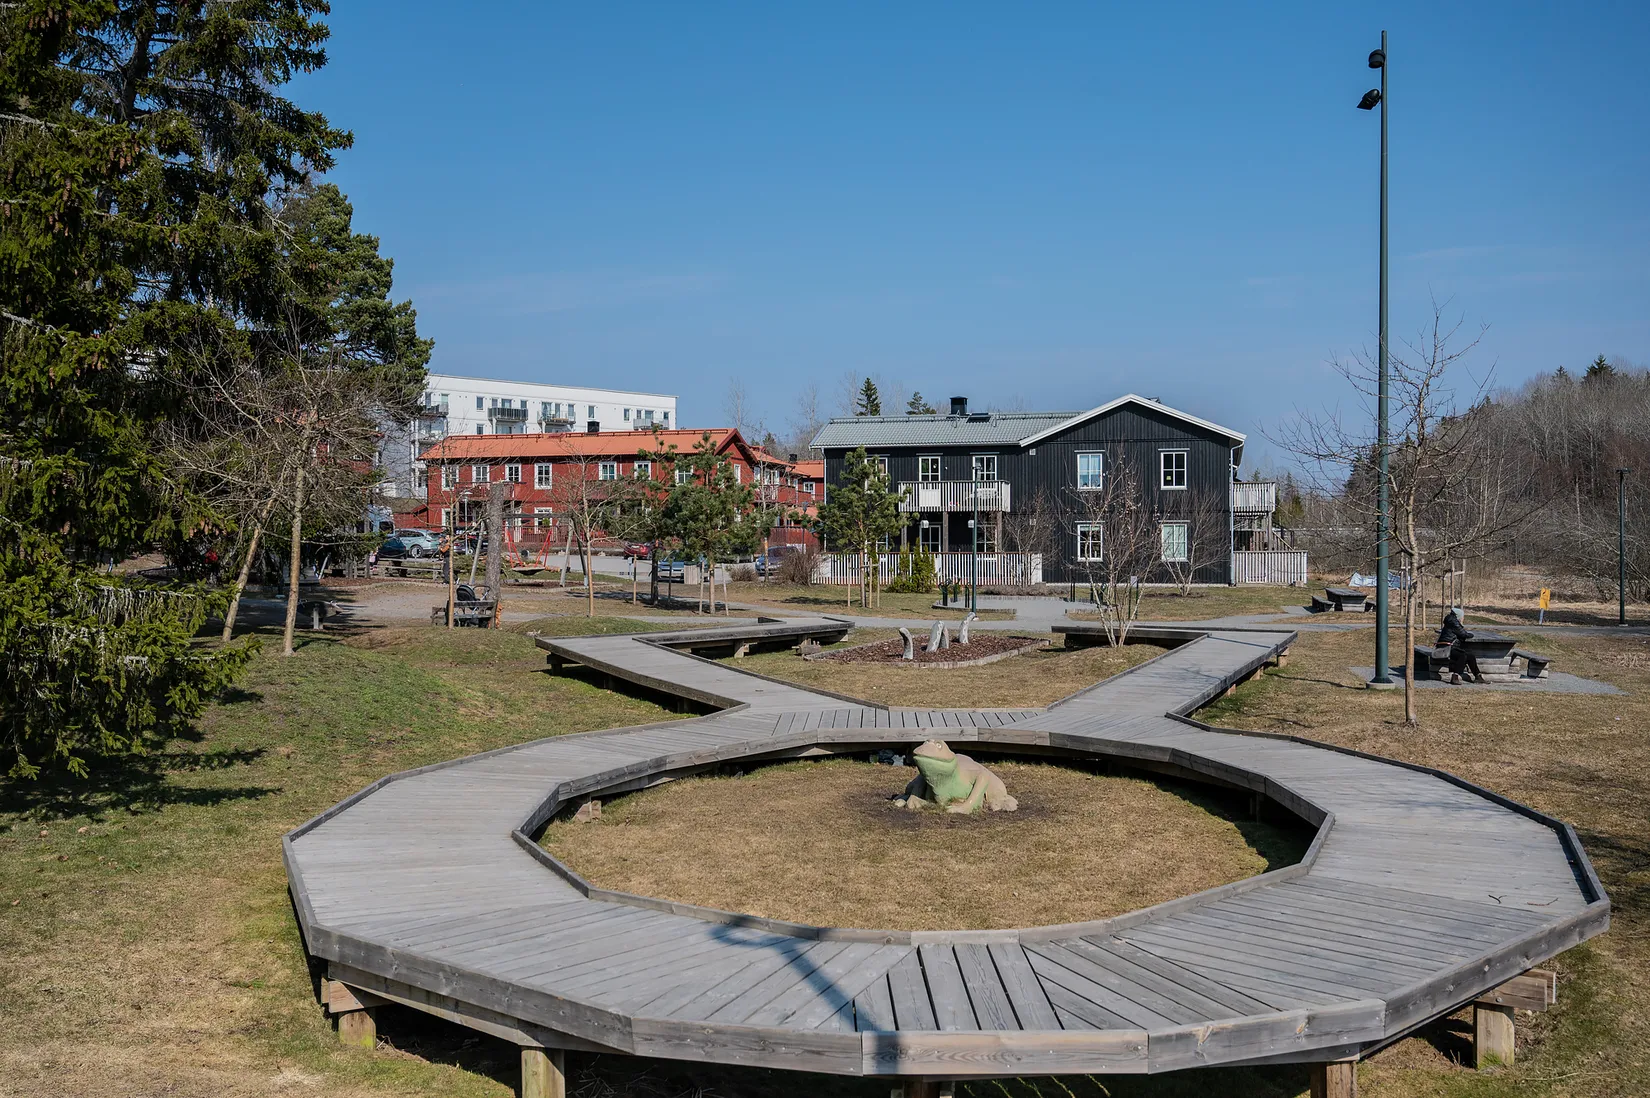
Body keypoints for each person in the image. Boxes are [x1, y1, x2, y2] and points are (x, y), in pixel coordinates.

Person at [1434, 609, 1484, 685]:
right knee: (1462, 655)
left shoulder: (1450, 621)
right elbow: (1464, 634)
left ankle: (1478, 676)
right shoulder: (1454, 623)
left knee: (1470, 656)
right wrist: (1471, 635)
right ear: (1459, 616)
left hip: (1448, 646)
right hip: (1446, 648)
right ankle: (1455, 677)